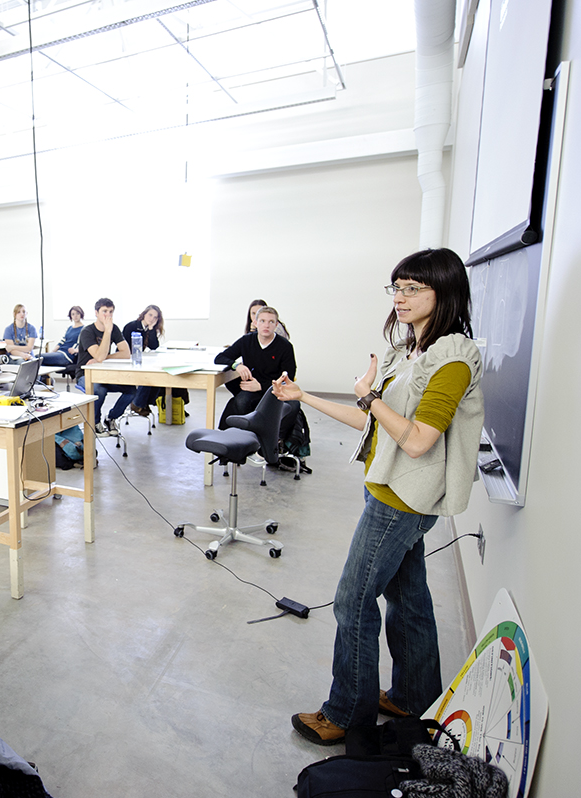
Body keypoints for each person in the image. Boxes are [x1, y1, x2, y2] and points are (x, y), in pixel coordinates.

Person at [272, 248, 483, 746]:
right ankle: (413, 696)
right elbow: (373, 422)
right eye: (397, 286)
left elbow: (415, 440)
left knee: (354, 599)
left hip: (403, 499)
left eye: (414, 288)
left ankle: (347, 712)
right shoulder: (409, 350)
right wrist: (306, 397)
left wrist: (370, 397)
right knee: (407, 598)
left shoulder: (452, 358)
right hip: (387, 489)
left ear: (445, 293)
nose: (402, 297)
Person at [215, 306, 297, 428]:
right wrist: (236, 365)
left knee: (293, 406)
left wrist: (261, 386)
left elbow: (288, 376)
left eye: (271, 322)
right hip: (250, 387)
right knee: (241, 401)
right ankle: (239, 437)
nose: (266, 325)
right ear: (255, 323)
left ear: (276, 325)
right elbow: (220, 358)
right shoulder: (246, 341)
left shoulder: (285, 346)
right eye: (262, 321)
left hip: (273, 389)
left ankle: (273, 440)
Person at [76, 298, 137, 436]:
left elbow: (126, 353)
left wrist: (105, 357)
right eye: (104, 311)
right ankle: (95, 422)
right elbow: (98, 356)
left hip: (104, 373)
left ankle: (111, 418)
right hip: (85, 375)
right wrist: (107, 333)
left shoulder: (114, 328)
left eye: (110, 312)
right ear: (96, 313)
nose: (108, 315)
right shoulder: (87, 332)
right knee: (99, 389)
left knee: (131, 391)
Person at [122, 304, 165, 416]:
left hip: (142, 360)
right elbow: (125, 347)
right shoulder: (131, 326)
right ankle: (137, 404)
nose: (152, 319)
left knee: (158, 375)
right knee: (148, 375)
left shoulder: (151, 329)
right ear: (144, 314)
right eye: (150, 315)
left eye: (155, 317)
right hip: (128, 360)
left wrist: (151, 330)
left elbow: (154, 346)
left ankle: (144, 403)